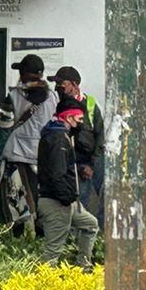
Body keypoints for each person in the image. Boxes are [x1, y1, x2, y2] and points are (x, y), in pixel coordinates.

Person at [35, 93, 99, 268]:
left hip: (66, 200)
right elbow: (56, 174)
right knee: (53, 250)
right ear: (69, 117)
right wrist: (67, 198)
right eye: (79, 118)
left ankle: (83, 267)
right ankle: (45, 287)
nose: (81, 123)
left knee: (90, 225)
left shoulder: (58, 135)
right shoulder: (57, 139)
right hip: (58, 201)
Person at [0, 54, 55, 233]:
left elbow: (3, 125)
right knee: (43, 199)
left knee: (16, 201)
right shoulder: (53, 97)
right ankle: (41, 238)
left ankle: (18, 241)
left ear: (23, 74)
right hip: (44, 157)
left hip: (18, 156)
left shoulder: (14, 96)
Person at [51, 66, 104, 218]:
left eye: (62, 83)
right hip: (74, 161)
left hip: (94, 159)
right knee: (80, 201)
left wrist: (92, 164)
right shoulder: (58, 104)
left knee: (107, 196)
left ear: (74, 84)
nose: (58, 87)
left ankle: (102, 234)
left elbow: (101, 136)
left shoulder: (91, 104)